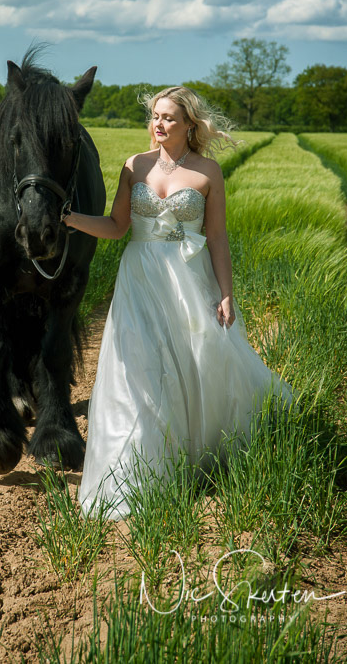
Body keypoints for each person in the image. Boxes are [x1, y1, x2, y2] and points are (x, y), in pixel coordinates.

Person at [62, 85, 294, 520]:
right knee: (141, 366)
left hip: (190, 278)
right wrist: (70, 219)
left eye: (169, 117)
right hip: (140, 276)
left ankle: (191, 456)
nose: (159, 123)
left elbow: (218, 238)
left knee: (194, 360)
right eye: (154, 115)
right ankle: (135, 469)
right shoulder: (134, 166)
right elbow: (116, 226)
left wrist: (226, 293)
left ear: (189, 123)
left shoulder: (208, 173)